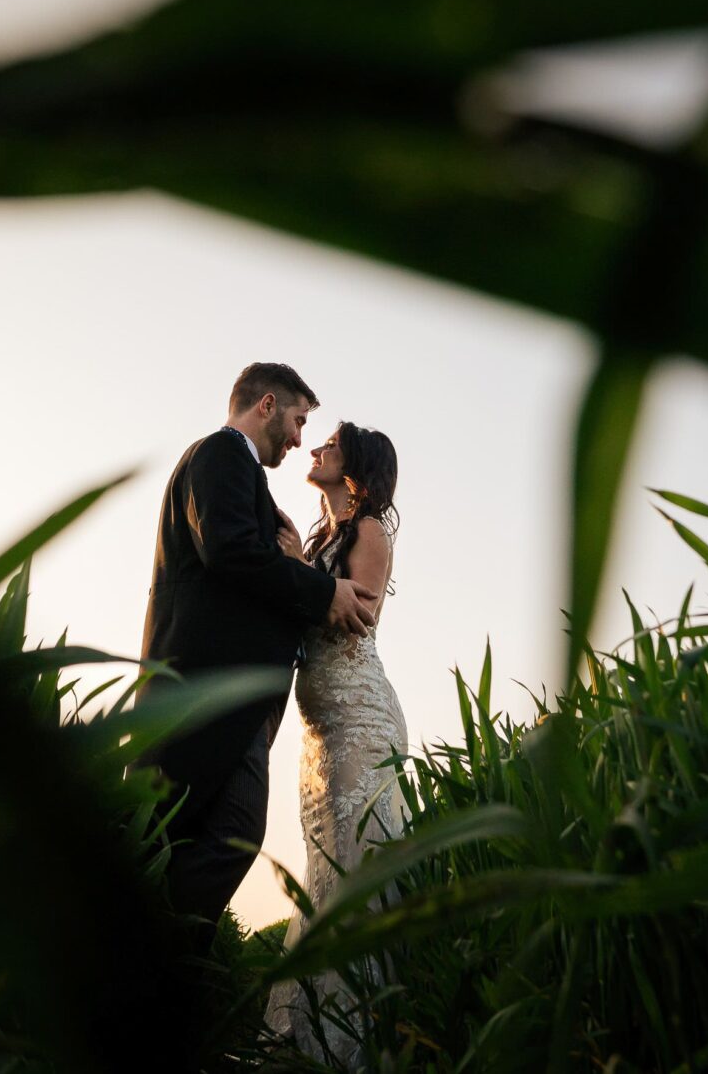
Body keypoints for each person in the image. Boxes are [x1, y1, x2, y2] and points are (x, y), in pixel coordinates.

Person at [140, 363, 380, 954]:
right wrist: (323, 590)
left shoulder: (243, 473)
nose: (301, 438)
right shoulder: (220, 455)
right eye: (300, 420)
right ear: (267, 405)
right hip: (209, 693)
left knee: (203, 840)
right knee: (224, 837)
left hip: (231, 700)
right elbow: (231, 552)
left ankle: (151, 980)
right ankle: (148, 969)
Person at [264, 421, 408, 1069]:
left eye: (330, 445)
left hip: (358, 715)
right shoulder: (321, 535)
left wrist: (295, 568)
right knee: (325, 870)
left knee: (356, 867)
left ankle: (359, 1045)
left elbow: (362, 612)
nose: (316, 448)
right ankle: (314, 1041)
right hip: (320, 728)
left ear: (354, 469)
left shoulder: (369, 529)